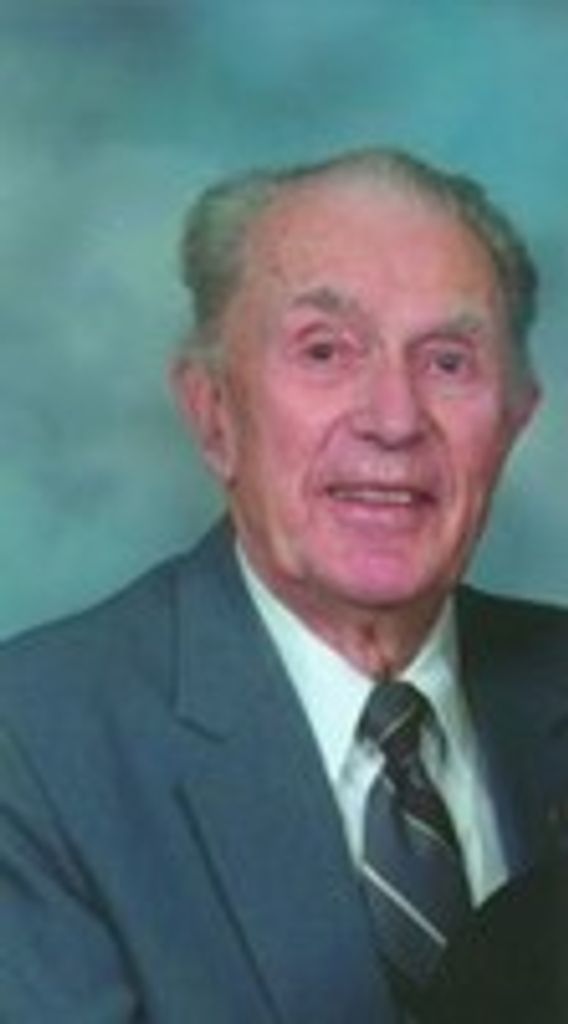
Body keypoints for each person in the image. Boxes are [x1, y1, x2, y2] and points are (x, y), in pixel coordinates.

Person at [0, 146, 567, 1024]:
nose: (394, 419)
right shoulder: (34, 745)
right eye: (325, 350)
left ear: (516, 417)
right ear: (213, 413)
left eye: (449, 361)